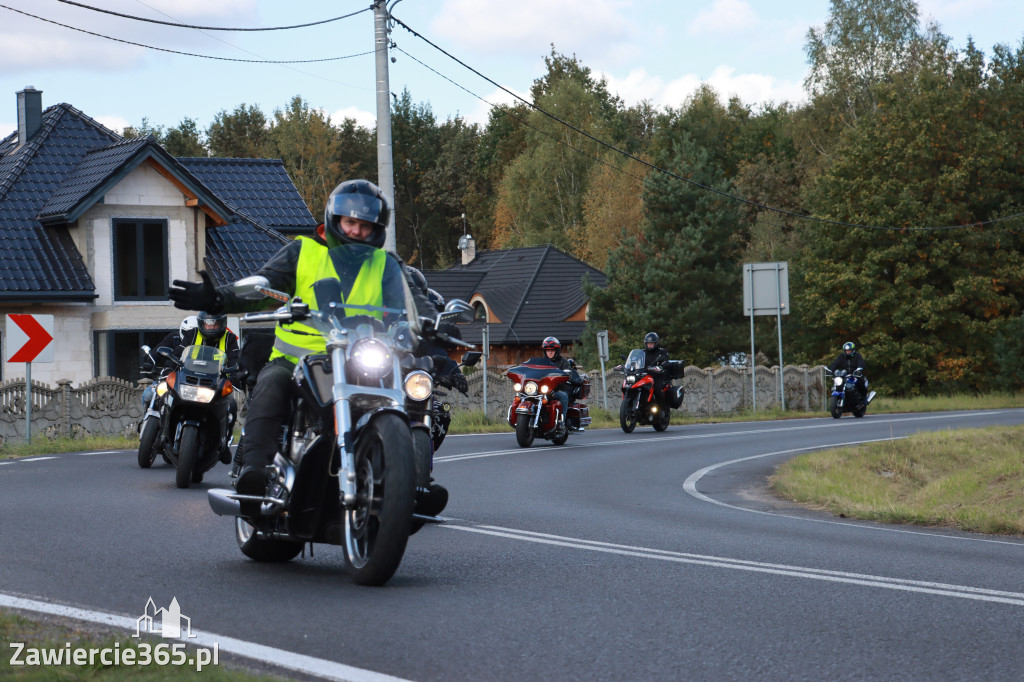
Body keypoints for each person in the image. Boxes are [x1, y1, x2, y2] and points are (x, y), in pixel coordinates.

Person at [168, 179, 442, 509]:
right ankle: (253, 473)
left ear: (376, 228)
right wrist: (217, 299)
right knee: (271, 384)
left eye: (364, 224)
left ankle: (407, 485)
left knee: (410, 390)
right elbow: (264, 285)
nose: (356, 231)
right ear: (335, 220)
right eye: (350, 222)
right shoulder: (303, 251)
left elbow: (416, 303)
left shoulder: (386, 264)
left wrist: (438, 325)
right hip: (298, 357)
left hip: (361, 355)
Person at [527, 336, 583, 429]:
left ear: (557, 351)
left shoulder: (563, 362)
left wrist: (566, 374)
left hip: (558, 389)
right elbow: (533, 372)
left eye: (552, 350)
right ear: (544, 351)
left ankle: (562, 422)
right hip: (542, 390)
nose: (550, 352)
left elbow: (568, 374)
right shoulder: (541, 362)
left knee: (563, 396)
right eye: (548, 350)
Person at [641, 332, 672, 406]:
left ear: (656, 343)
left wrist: (661, 367)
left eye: (652, 343)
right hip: (644, 376)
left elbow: (666, 361)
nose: (650, 345)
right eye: (648, 343)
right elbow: (635, 360)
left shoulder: (661, 352)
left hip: (657, 376)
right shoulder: (642, 352)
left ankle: (661, 409)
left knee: (657, 389)